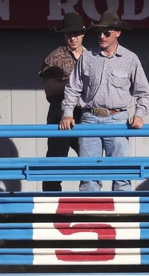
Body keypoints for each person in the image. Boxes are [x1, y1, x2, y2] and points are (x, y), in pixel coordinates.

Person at [60, 11, 149, 192]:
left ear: (118, 33)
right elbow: (73, 88)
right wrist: (67, 113)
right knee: (88, 172)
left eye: (107, 33)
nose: (102, 36)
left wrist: (139, 115)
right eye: (99, 32)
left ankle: (122, 215)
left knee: (121, 171)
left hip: (118, 120)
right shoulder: (87, 57)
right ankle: (89, 214)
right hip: (89, 119)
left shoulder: (130, 59)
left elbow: (143, 92)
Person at [39, 12, 85, 191]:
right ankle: (51, 201)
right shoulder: (54, 57)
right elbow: (50, 89)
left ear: (82, 34)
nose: (72, 37)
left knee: (89, 158)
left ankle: (90, 199)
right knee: (56, 158)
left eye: (75, 33)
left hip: (84, 114)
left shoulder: (91, 57)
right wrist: (75, 87)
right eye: (68, 34)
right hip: (60, 112)